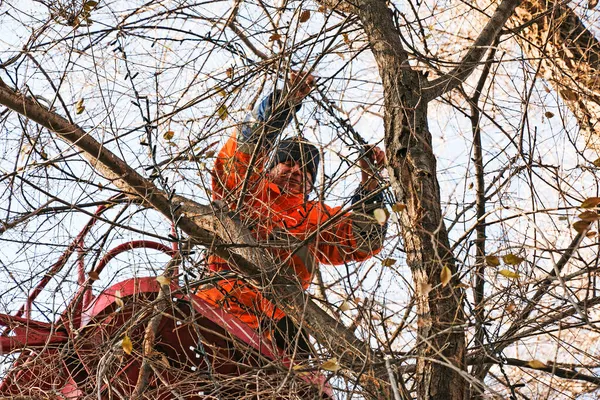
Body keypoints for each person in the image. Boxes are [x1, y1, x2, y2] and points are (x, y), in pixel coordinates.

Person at [198, 72, 387, 354]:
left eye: (306, 170)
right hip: (217, 309)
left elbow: (364, 241)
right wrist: (286, 101)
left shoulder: (317, 217)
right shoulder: (247, 190)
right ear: (270, 167)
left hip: (278, 332)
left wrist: (370, 185)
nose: (297, 171)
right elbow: (241, 149)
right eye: (287, 163)